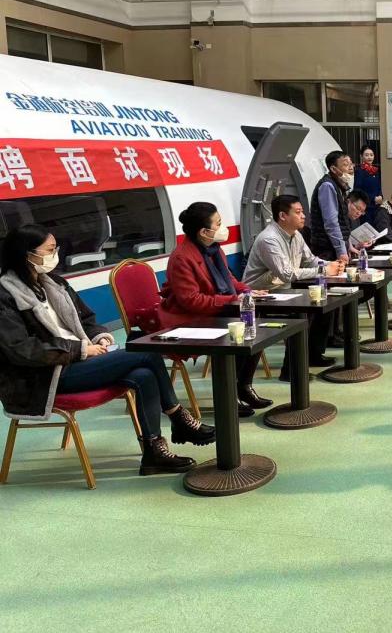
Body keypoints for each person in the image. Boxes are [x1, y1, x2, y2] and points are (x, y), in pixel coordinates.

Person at [0, 224, 215, 476]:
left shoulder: (54, 283)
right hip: (44, 376)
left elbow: (86, 319)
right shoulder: (5, 296)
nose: (55, 255)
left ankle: (153, 453)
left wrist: (99, 338)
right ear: (26, 254)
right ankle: (179, 418)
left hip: (77, 361)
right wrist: (81, 349)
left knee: (143, 375)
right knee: (147, 351)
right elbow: (22, 349)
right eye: (50, 250)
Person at [160, 202, 269, 417]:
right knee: (241, 325)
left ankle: (243, 385)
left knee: (253, 317)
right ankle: (228, 394)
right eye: (218, 224)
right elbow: (191, 301)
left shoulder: (213, 249)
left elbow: (229, 279)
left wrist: (247, 291)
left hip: (213, 310)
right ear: (204, 231)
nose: (223, 227)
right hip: (188, 318)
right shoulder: (182, 257)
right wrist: (232, 299)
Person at [243, 195, 342, 379]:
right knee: (302, 312)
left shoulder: (296, 235)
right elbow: (286, 274)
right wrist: (323, 270)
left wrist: (332, 265)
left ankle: (313, 355)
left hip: (283, 291)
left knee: (325, 302)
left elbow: (310, 260)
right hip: (261, 295)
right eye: (298, 212)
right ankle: (291, 371)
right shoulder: (269, 239)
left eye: (302, 211)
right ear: (283, 216)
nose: (303, 216)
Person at [309, 150, 355, 263]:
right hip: (327, 248)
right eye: (345, 165)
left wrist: (348, 245)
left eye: (351, 164)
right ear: (334, 169)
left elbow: (343, 220)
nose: (350, 168)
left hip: (335, 246)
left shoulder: (341, 185)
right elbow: (331, 222)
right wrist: (341, 251)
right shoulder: (327, 186)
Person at [354, 143, 383, 222]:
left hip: (376, 206)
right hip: (365, 207)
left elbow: (379, 186)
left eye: (371, 155)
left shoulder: (375, 171)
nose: (369, 157)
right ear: (361, 156)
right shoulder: (359, 171)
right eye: (366, 155)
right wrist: (373, 198)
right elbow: (357, 190)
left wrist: (380, 196)